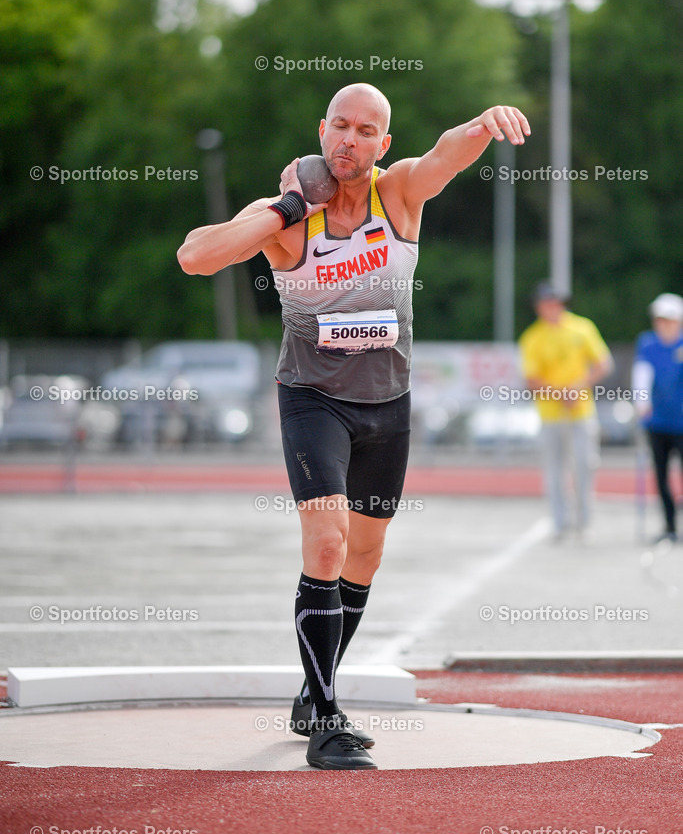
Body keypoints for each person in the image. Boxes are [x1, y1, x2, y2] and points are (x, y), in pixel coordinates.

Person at [177, 83, 530, 769]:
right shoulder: (287, 218)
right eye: (339, 126)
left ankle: (313, 691)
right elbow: (197, 256)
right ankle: (327, 720)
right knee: (330, 542)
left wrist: (482, 124)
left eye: (366, 130)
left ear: (381, 144)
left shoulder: (397, 194)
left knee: (365, 556)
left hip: (387, 403)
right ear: (321, 131)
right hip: (312, 399)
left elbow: (445, 158)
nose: (350, 139)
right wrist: (285, 206)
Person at [519, 282, 612, 542]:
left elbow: (603, 363)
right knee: (554, 471)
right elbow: (531, 379)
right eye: (545, 303)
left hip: (581, 412)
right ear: (538, 307)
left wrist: (578, 386)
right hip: (550, 415)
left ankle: (584, 523)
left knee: (584, 465)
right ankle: (559, 523)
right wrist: (561, 392)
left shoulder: (582, 328)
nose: (550, 308)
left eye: (554, 302)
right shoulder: (532, 337)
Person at [632, 293, 683, 542]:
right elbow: (642, 374)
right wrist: (641, 403)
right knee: (661, 477)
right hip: (658, 423)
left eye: (668, 319)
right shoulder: (648, 344)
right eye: (659, 319)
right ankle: (670, 527)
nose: (663, 324)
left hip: (681, 422)